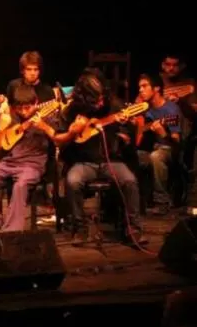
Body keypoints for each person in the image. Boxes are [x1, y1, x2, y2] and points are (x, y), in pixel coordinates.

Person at [53, 69, 144, 245]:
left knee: (130, 181)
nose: (101, 102)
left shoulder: (114, 105)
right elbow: (58, 140)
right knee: (72, 181)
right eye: (96, 100)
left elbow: (129, 137)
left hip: (111, 160)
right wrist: (73, 132)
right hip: (83, 162)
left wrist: (127, 131)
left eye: (102, 97)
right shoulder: (71, 111)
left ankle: (133, 230)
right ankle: (80, 229)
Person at [0, 85, 51, 233]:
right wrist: (2, 127)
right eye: (19, 108)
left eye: (27, 108)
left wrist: (45, 127)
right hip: (10, 162)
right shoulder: (11, 117)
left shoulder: (47, 116)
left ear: (36, 102)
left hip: (32, 165)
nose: (23, 111)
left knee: (20, 185)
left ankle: (11, 230)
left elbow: (58, 139)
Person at [135, 73, 181, 214]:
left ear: (156, 88)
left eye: (144, 86)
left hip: (168, 148)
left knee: (156, 157)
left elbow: (177, 141)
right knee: (133, 155)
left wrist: (163, 133)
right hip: (151, 148)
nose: (141, 90)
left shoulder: (171, 110)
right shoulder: (145, 107)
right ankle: (137, 200)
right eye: (139, 87)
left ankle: (162, 201)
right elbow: (140, 125)